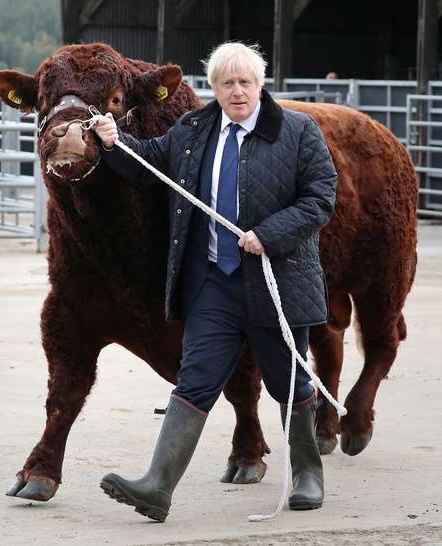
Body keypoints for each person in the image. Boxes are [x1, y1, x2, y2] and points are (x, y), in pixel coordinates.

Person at [94, 42, 338, 522]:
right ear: (215, 88)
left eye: (245, 82)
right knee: (196, 379)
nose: (238, 91)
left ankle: (308, 475)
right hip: (215, 284)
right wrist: (111, 141)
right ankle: (157, 487)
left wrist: (268, 234)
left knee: (288, 381)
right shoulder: (193, 130)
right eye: (227, 84)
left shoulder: (297, 132)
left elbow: (320, 199)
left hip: (276, 281)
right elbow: (149, 164)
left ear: (260, 84)